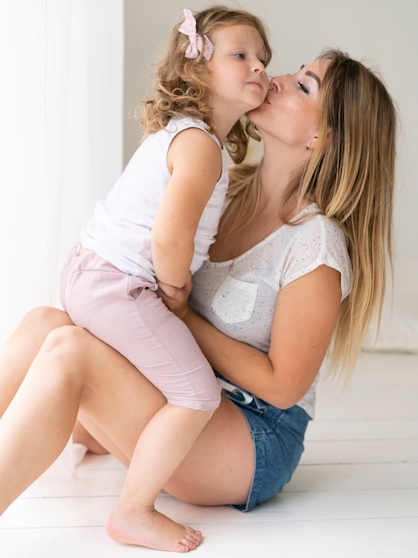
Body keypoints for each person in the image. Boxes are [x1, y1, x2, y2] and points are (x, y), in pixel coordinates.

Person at [0, 48, 396, 554]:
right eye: (294, 72)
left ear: (325, 138)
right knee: (45, 324)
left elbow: (282, 385)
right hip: (184, 394)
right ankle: (95, 426)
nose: (275, 79)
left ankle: (121, 492)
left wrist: (182, 317)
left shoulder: (314, 245)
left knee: (69, 353)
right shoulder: (227, 190)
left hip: (253, 435)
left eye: (304, 86)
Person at [59, 4, 271, 550]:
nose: (260, 68)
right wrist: (175, 292)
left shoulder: (190, 138)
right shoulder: (201, 147)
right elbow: (171, 238)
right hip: (119, 282)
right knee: (197, 393)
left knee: (139, 362)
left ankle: (88, 431)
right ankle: (133, 510)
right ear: (197, 70)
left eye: (264, 59)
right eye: (241, 55)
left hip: (90, 270)